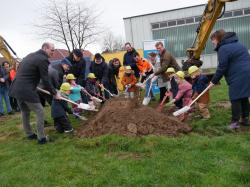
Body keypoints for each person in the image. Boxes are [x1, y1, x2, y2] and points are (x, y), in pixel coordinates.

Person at [9, 42, 60, 144]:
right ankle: (42, 138)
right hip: (26, 90)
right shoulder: (43, 59)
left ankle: (29, 134)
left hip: (16, 88)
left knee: (25, 111)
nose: (53, 53)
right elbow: (45, 79)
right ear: (45, 48)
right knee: (40, 111)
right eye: (52, 50)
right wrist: (55, 93)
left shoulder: (30, 55)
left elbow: (23, 71)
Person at [209, 29, 250, 129]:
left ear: (217, 38)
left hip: (238, 75)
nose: (212, 42)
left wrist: (213, 81)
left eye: (213, 40)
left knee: (235, 98)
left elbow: (222, 67)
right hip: (247, 72)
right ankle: (245, 119)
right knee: (244, 96)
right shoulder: (240, 44)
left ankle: (235, 122)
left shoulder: (223, 48)